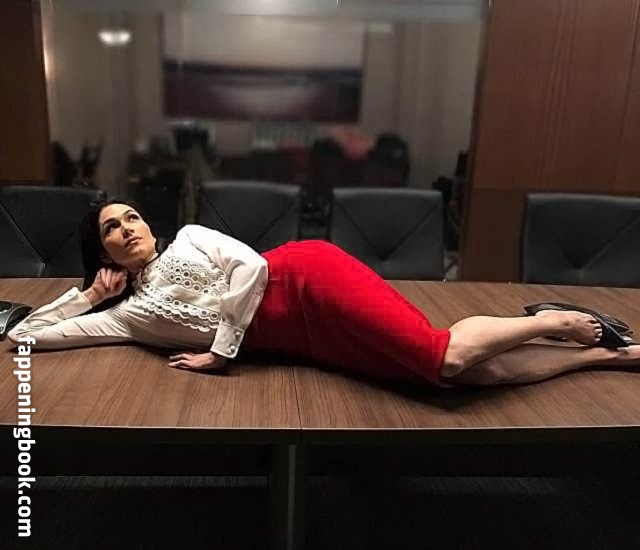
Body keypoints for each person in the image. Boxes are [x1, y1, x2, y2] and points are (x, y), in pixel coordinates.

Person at [7, 199, 640, 386]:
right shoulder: (129, 319)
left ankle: (555, 322)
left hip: (306, 279)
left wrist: (222, 352)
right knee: (457, 378)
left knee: (441, 355)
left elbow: (252, 268)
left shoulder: (192, 237)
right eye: (111, 229)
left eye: (132, 217)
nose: (127, 228)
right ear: (104, 254)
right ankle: (595, 357)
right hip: (304, 341)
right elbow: (28, 337)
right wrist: (88, 299)